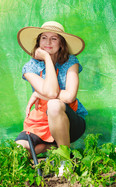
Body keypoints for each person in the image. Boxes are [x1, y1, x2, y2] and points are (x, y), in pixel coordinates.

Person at [15, 21, 88, 156]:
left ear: (61, 43)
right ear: (38, 42)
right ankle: (48, 147)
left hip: (70, 121)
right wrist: (47, 58)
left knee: (54, 104)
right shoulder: (30, 68)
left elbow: (69, 97)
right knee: (19, 150)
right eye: (44, 38)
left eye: (54, 38)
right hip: (40, 123)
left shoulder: (71, 62)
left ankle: (64, 158)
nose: (48, 42)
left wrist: (39, 93)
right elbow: (51, 92)